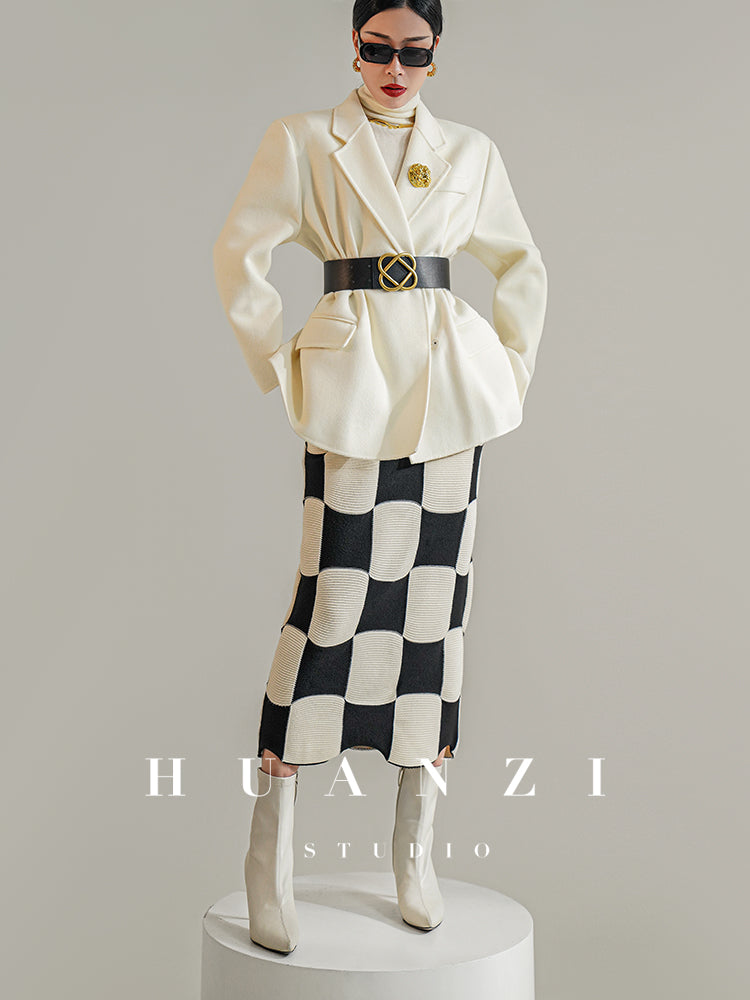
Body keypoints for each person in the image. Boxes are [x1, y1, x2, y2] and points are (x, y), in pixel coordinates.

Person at [212, 0, 547, 954]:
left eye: (415, 52)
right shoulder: (304, 140)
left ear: (437, 56)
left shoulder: (470, 150)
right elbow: (240, 253)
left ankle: (415, 855)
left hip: (449, 399)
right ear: (353, 47)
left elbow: (520, 264)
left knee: (434, 616)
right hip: (354, 390)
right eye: (377, 48)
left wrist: (507, 372)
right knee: (331, 604)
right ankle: (269, 862)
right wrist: (282, 364)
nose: (396, 69)